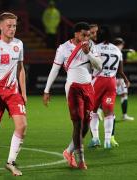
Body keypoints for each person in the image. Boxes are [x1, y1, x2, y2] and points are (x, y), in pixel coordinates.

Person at [43, 22, 102, 170]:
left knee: (86, 126)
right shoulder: (63, 48)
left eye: (88, 35)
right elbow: (55, 69)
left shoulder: (92, 46)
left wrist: (88, 52)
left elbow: (99, 66)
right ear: (75, 34)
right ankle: (80, 159)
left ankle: (68, 151)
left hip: (89, 88)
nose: (86, 37)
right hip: (73, 87)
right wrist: (46, 90)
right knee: (78, 123)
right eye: (83, 34)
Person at [88, 26, 130, 149]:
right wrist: (126, 80)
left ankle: (95, 138)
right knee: (109, 112)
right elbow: (120, 70)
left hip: (98, 81)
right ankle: (107, 141)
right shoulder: (117, 50)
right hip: (111, 81)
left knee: (92, 111)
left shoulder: (95, 48)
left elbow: (89, 65)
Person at [0, 12, 27, 176]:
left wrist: (23, 92)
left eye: (14, 25)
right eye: (9, 25)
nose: (12, 28)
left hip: (12, 92)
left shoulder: (19, 44)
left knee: (22, 126)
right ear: (0, 26)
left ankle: (10, 162)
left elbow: (20, 68)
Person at [113, 38, 134, 121]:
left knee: (106, 96)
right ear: (120, 44)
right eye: (122, 44)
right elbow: (119, 69)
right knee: (124, 95)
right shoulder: (118, 52)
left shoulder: (110, 51)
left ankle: (98, 112)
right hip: (118, 78)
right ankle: (124, 115)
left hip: (109, 78)